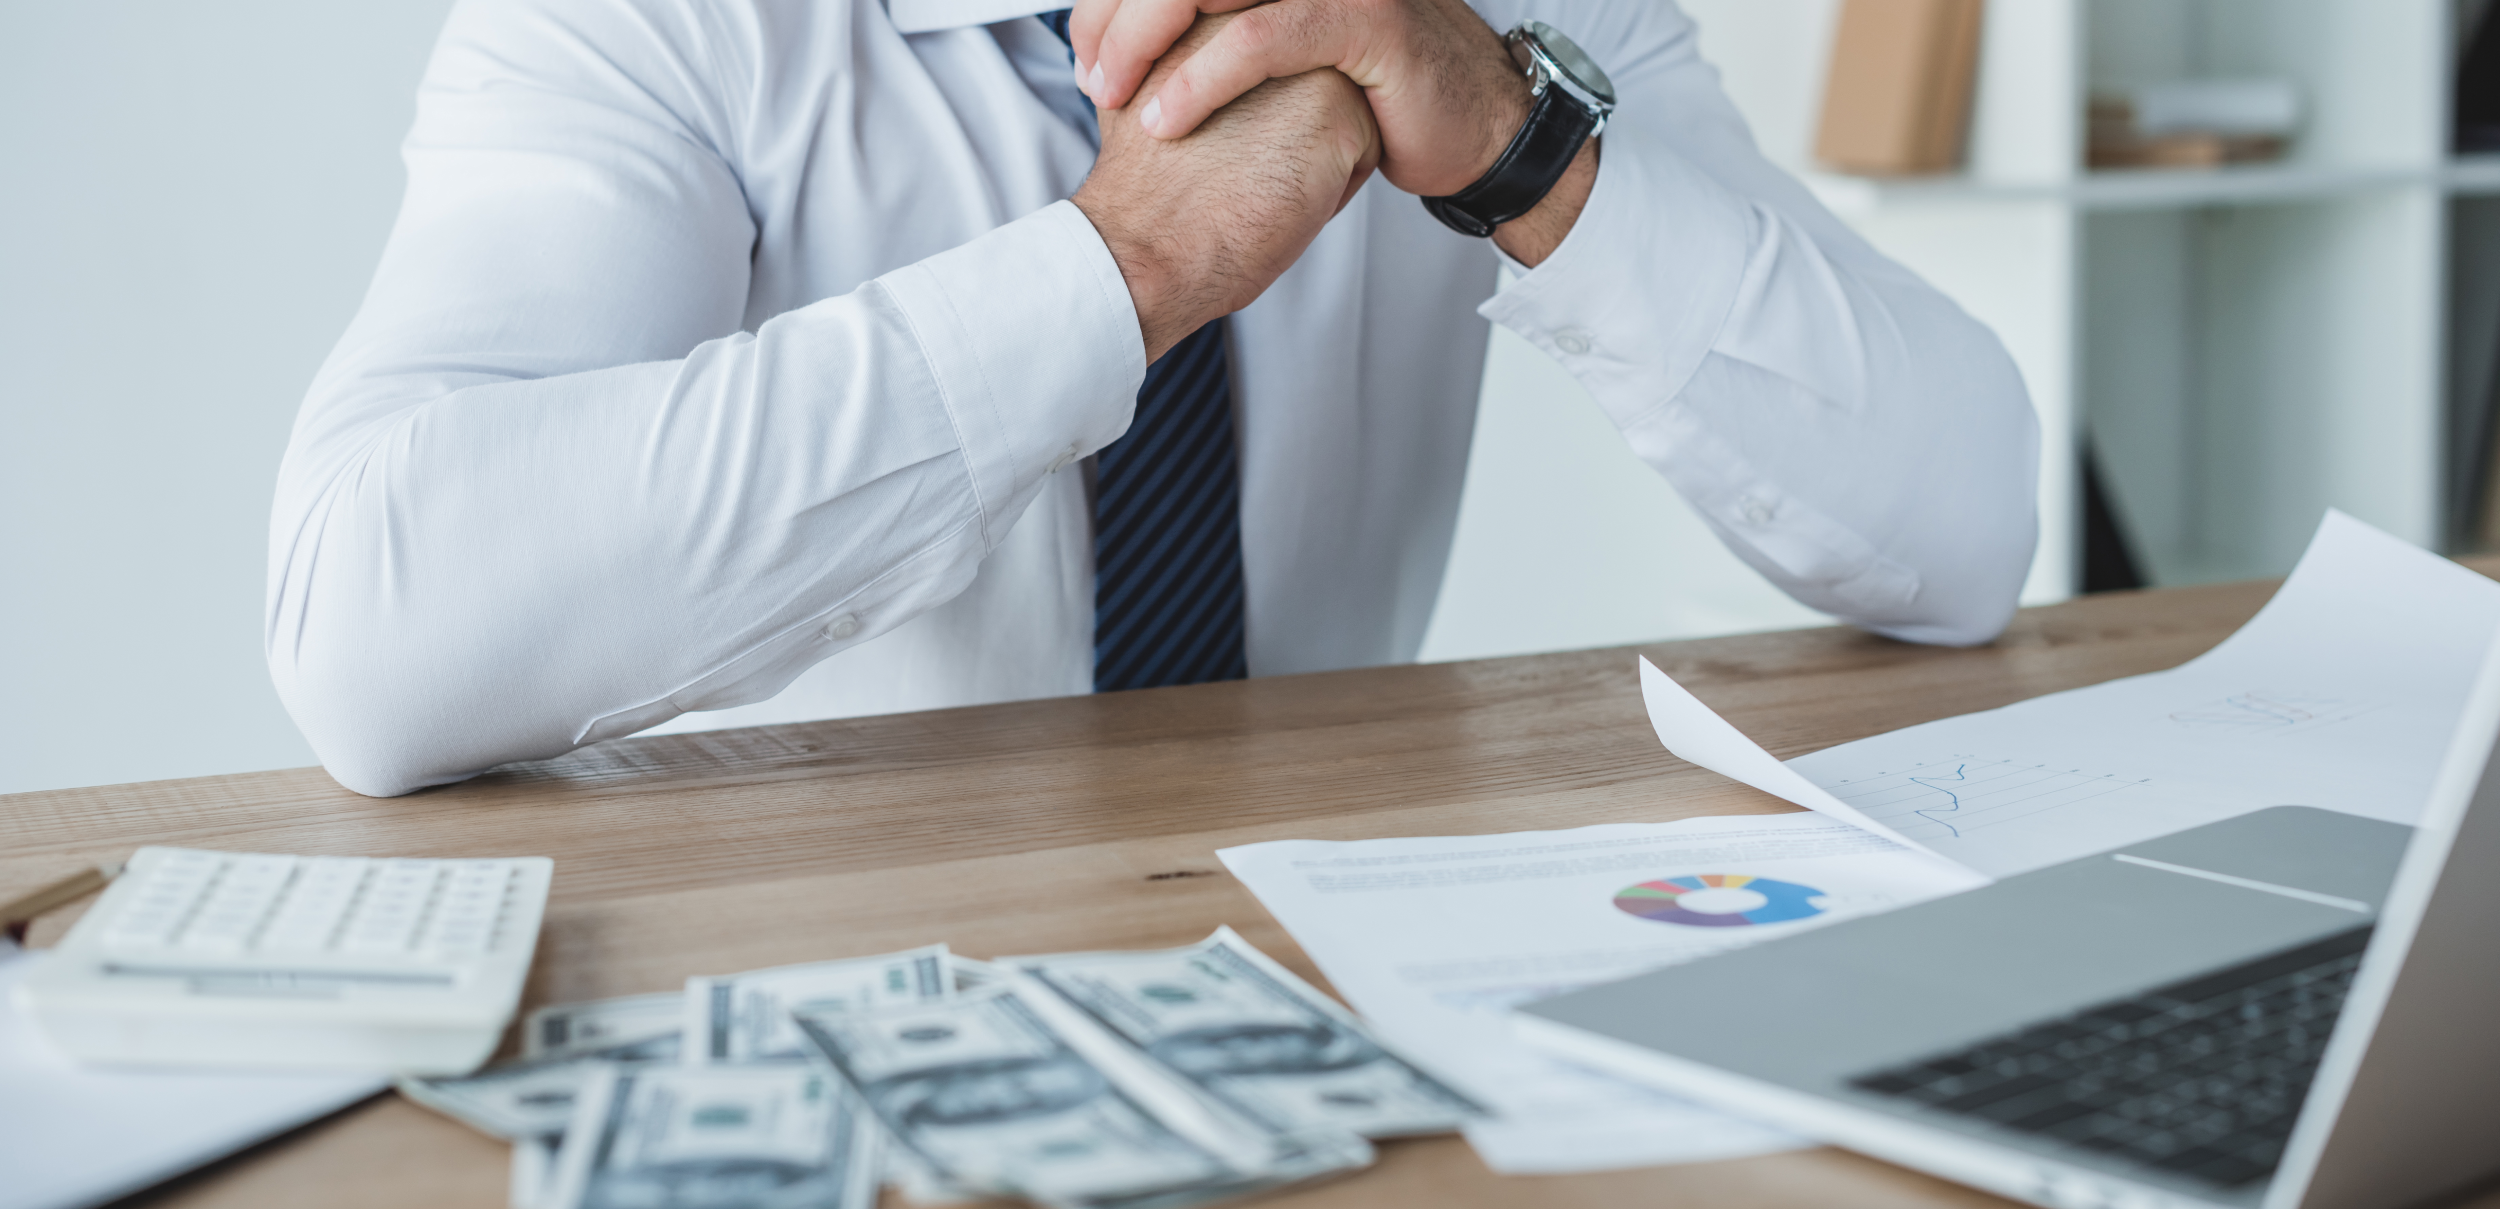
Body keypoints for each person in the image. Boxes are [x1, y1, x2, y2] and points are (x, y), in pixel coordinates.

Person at [269, 0, 2039, 798]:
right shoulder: (655, 25)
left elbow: (1960, 533)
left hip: (1348, 972)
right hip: (814, 973)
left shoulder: (1507, 11)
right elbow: (380, 633)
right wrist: (1124, 268)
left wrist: (1517, 145)